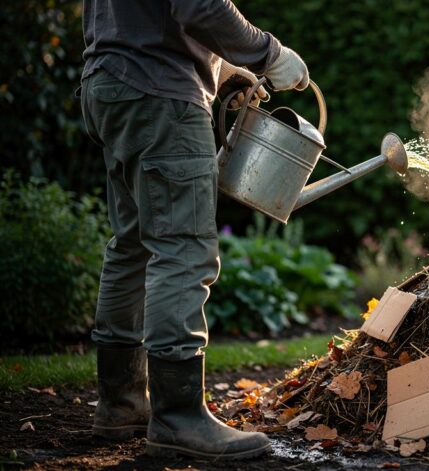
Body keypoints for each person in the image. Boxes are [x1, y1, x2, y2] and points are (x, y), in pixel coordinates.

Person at [79, 0, 309, 460]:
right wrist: (269, 53)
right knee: (183, 250)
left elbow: (146, 19)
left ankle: (120, 403)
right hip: (161, 94)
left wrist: (220, 70)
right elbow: (199, 5)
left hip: (111, 81)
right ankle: (178, 417)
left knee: (133, 246)